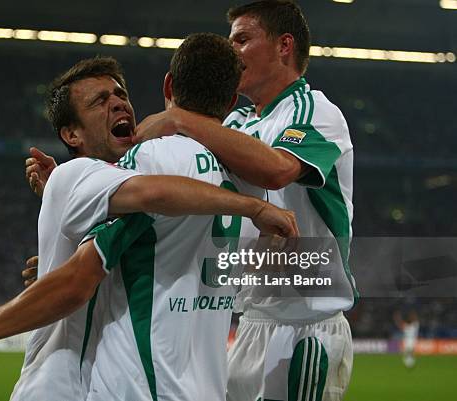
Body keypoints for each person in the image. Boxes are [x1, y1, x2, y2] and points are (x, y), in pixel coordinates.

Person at [0, 54, 298, 401]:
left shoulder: (114, 183)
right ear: (72, 135)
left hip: (98, 383)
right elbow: (149, 197)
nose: (119, 104)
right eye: (99, 101)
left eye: (121, 94)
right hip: (57, 385)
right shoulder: (75, 174)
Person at [134, 2, 356, 400]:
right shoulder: (234, 124)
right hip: (249, 321)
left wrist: (182, 118)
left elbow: (276, 170)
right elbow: (174, 179)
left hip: (304, 329)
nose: (231, 51)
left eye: (242, 39)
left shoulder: (316, 111)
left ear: (284, 45)